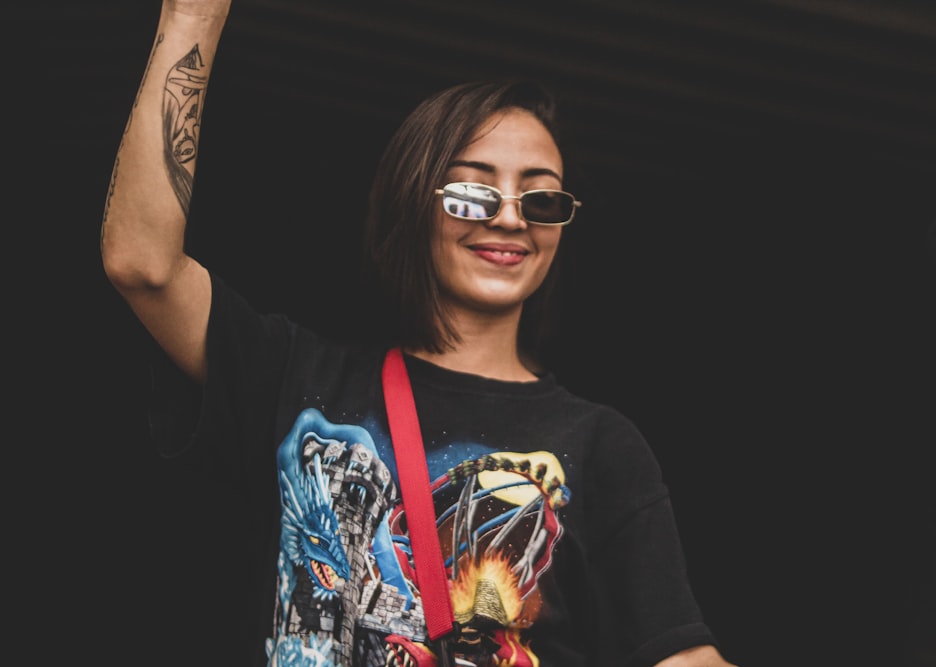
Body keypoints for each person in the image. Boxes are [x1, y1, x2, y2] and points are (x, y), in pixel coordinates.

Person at [100, 1, 740, 665]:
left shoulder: (604, 447)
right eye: (473, 193)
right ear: (416, 200)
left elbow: (681, 652)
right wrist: (192, 16)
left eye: (541, 199)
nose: (510, 219)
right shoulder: (295, 375)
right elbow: (142, 265)